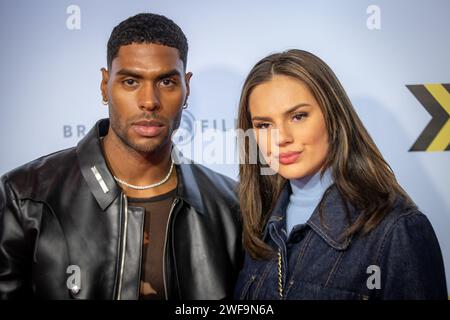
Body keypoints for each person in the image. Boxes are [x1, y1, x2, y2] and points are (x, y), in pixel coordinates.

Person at [0, 13, 242, 300]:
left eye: (166, 82)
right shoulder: (25, 196)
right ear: (105, 85)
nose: (149, 101)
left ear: (186, 87)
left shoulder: (231, 206)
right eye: (130, 81)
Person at [234, 49, 447, 299]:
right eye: (264, 125)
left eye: (298, 116)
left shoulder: (397, 230)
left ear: (333, 117)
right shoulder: (256, 222)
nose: (281, 138)